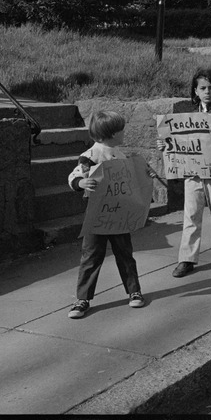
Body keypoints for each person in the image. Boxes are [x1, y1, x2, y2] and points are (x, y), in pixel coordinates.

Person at [66, 110, 162, 319]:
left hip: (119, 215)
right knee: (91, 255)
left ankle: (134, 290)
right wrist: (81, 183)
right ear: (111, 134)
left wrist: (147, 173)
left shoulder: (121, 154)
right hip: (98, 215)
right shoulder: (90, 157)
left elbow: (132, 178)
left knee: (125, 253)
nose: (124, 133)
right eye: (121, 130)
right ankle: (83, 298)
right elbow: (74, 176)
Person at [159, 69, 211, 278]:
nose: (208, 92)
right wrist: (166, 144)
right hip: (192, 172)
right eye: (203, 88)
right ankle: (187, 258)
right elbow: (179, 141)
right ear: (195, 91)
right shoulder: (188, 114)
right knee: (191, 215)